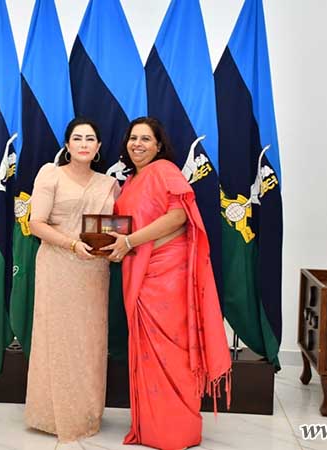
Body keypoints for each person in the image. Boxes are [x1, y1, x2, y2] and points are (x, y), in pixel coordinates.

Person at [101, 117, 232, 450]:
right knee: (146, 351)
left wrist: (129, 243)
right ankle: (151, 427)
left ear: (159, 145)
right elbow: (123, 227)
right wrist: (105, 240)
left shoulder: (165, 170)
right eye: (133, 138)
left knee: (172, 351)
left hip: (168, 276)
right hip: (138, 275)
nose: (138, 144)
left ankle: (176, 429)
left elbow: (178, 217)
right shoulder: (130, 182)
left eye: (146, 138)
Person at [24, 118, 120, 442]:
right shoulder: (49, 174)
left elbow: (111, 229)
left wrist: (117, 248)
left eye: (90, 139)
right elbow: (36, 223)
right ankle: (51, 414)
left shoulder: (110, 184)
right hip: (58, 266)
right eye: (77, 138)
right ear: (67, 145)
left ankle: (86, 413)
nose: (83, 144)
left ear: (98, 147)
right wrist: (71, 244)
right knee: (57, 338)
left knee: (89, 342)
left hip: (94, 271)